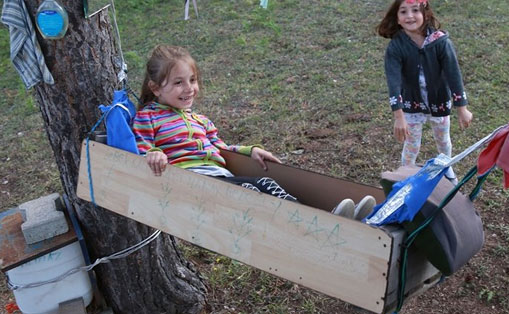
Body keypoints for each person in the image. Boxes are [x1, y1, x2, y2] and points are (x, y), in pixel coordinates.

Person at [132, 45, 375, 219]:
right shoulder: (149, 116)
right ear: (155, 88)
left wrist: (251, 151)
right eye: (178, 83)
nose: (189, 89)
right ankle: (323, 222)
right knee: (255, 189)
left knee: (265, 185)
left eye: (192, 80)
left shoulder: (200, 119)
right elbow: (140, 145)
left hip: (221, 177)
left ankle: (332, 219)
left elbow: (221, 148)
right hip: (194, 182)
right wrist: (153, 153)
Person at [376, 0, 473, 182]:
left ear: (425, 14)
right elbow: (393, 81)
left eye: (415, 10)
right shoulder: (396, 47)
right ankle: (404, 174)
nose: (410, 16)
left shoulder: (441, 42)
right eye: (403, 11)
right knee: (411, 144)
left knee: (443, 141)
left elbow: (454, 74)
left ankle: (446, 167)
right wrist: (399, 117)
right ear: (396, 18)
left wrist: (462, 108)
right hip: (411, 105)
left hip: (439, 102)